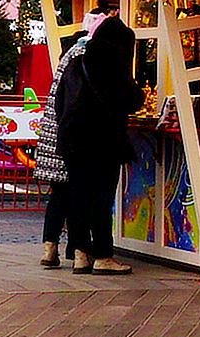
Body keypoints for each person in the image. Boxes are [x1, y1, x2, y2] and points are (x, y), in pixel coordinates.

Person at [55, 15, 142, 276]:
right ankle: (103, 254)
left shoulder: (75, 62)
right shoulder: (114, 64)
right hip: (102, 142)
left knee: (79, 196)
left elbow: (60, 102)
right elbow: (130, 99)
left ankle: (81, 253)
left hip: (72, 140)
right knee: (101, 200)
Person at [28, 23, 88, 271]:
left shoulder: (64, 62)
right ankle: (76, 248)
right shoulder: (81, 62)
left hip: (54, 139)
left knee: (58, 197)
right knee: (76, 197)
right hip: (70, 139)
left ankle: (49, 246)